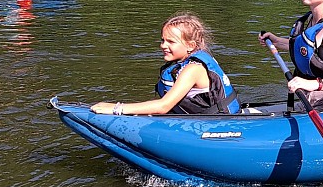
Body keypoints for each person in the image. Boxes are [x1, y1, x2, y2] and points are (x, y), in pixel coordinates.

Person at [91, 13, 240, 116]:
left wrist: (117, 108)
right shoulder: (183, 63)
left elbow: (163, 106)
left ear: (190, 45)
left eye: (171, 41)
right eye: (163, 40)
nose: (163, 45)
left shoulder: (193, 69)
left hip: (220, 122)